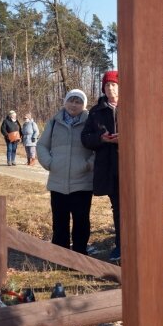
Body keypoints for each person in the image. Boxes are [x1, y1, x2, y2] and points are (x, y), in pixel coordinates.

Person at [37, 89, 94, 254]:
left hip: (82, 182)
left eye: (78, 102)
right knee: (59, 221)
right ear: (65, 102)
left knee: (81, 221)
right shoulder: (54, 122)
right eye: (71, 100)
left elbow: (97, 148)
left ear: (84, 105)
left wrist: (88, 165)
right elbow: (42, 145)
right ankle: (60, 255)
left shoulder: (90, 122)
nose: (74, 105)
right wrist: (49, 163)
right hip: (57, 181)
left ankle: (79, 254)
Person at [81, 70, 122, 261]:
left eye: (113, 84)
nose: (110, 88)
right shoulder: (96, 111)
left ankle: (137, 242)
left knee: (134, 206)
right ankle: (121, 244)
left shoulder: (132, 106)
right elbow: (85, 138)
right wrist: (101, 138)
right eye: (107, 85)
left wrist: (125, 139)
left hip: (130, 166)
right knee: (117, 207)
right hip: (108, 167)